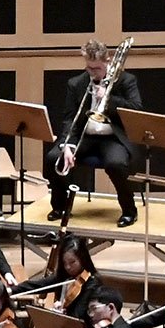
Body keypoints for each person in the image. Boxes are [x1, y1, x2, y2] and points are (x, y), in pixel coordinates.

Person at [48, 40, 144, 227]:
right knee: (54, 158)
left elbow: (136, 110)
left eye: (97, 69)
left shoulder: (126, 81)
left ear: (107, 62)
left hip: (113, 137)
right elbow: (69, 118)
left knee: (116, 164)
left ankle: (129, 210)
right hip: (86, 135)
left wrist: (109, 100)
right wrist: (67, 145)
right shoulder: (76, 83)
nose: (92, 73)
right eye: (89, 68)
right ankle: (59, 207)